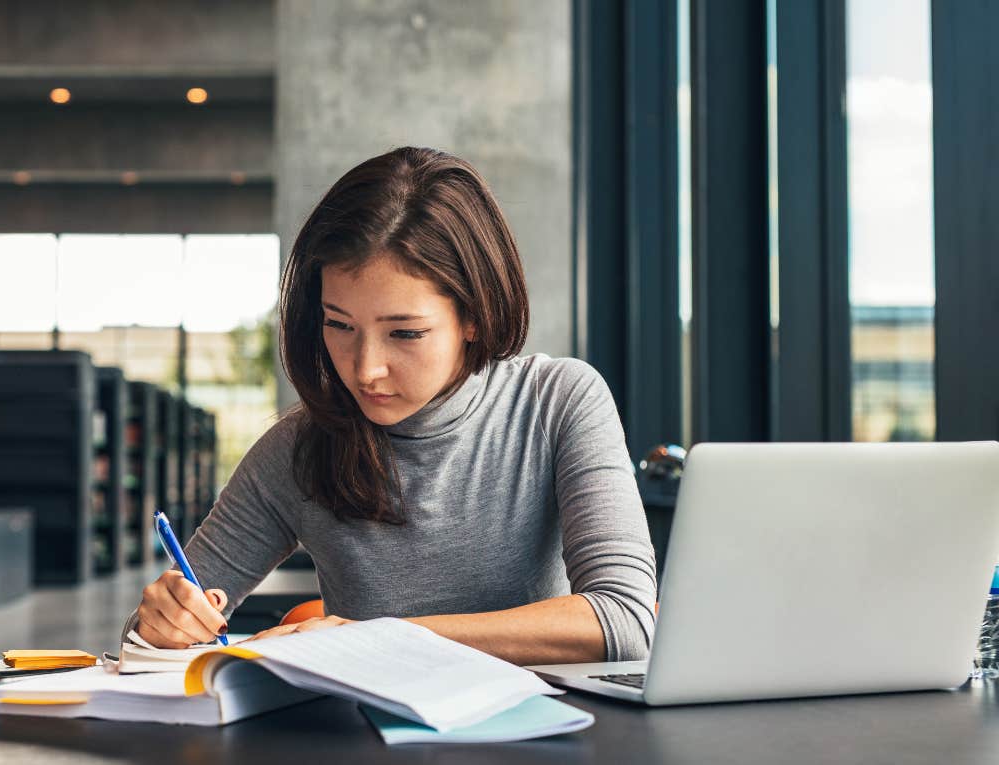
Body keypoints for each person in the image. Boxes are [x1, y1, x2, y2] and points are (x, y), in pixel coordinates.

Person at [131, 147, 656, 665]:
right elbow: (146, 640)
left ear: (473, 316)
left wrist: (375, 638)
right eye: (339, 325)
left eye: (404, 332)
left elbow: (625, 620)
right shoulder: (296, 448)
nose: (365, 370)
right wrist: (160, 624)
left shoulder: (556, 402)